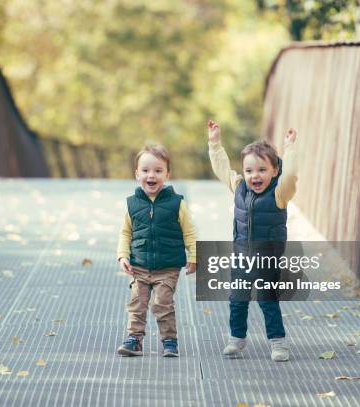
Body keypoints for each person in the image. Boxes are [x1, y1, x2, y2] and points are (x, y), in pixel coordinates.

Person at [207, 119, 298, 361]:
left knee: (267, 301)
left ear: (274, 171)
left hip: (267, 259)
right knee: (237, 300)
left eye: (261, 170)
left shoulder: (280, 193)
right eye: (249, 171)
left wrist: (289, 148)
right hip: (241, 257)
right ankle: (236, 339)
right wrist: (215, 144)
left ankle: (278, 343)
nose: (254, 176)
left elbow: (290, 175)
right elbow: (223, 169)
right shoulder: (239, 188)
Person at [116, 144, 197, 357]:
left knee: (163, 304)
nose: (151, 175)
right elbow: (125, 233)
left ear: (167, 175)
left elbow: (189, 232)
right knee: (137, 304)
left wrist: (195, 255)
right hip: (139, 265)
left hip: (167, 267)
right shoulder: (132, 204)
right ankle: (134, 340)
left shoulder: (176, 203)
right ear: (137, 174)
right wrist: (123, 255)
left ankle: (170, 341)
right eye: (145, 170)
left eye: (158, 170)